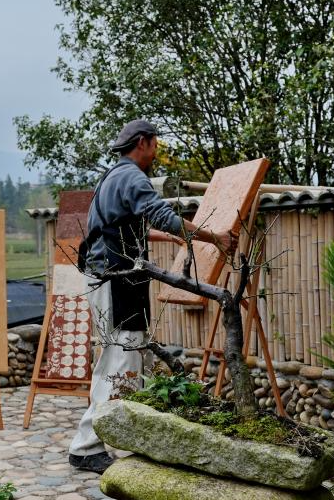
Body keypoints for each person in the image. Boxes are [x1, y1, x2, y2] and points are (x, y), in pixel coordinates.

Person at [68, 119, 237, 474]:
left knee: (116, 358)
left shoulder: (115, 175)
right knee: (123, 359)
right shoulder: (132, 177)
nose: (157, 151)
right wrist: (215, 237)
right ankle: (87, 446)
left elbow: (127, 225)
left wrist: (171, 239)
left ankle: (100, 440)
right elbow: (161, 215)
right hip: (117, 278)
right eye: (156, 144)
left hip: (108, 276)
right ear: (143, 142)